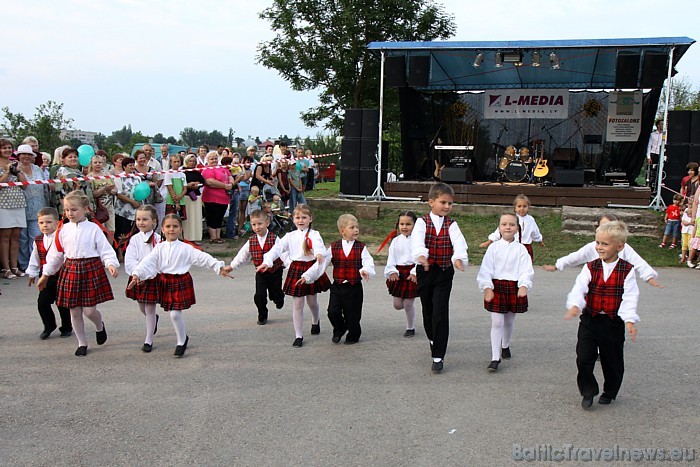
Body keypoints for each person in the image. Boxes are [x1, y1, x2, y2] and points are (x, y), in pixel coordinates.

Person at [128, 214, 232, 357]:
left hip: (180, 281)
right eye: (168, 226)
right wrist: (137, 273)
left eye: (175, 226)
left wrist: (219, 267)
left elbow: (203, 258)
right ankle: (183, 338)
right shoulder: (159, 248)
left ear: (181, 229)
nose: (172, 229)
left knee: (175, 314)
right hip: (165, 282)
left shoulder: (186, 248)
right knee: (172, 313)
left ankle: (181, 340)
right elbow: (147, 262)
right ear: (163, 229)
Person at [565, 220, 640, 409]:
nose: (599, 247)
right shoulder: (590, 267)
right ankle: (588, 390)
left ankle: (610, 391)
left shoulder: (627, 270)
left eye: (605, 244)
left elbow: (630, 296)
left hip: (612, 323)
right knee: (583, 357)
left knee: (612, 361)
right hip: (590, 319)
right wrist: (575, 304)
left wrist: (629, 319)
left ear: (619, 246)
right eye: (597, 243)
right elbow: (579, 287)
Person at [36, 191, 119, 357]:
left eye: (74, 209)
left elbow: (105, 249)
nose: (70, 213)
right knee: (74, 311)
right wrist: (45, 274)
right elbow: (55, 255)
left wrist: (110, 264)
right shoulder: (63, 230)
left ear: (85, 209)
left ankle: (99, 326)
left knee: (89, 311)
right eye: (67, 210)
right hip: (71, 269)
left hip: (90, 269)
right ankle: (82, 343)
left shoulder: (93, 228)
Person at [411, 182, 468, 373]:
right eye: (443, 202)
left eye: (450, 203)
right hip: (426, 272)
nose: (447, 207)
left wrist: (458, 257)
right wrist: (421, 254)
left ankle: (438, 356)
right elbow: (417, 241)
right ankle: (432, 338)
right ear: (431, 202)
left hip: (444, 272)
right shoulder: (421, 222)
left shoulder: (452, 225)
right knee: (428, 310)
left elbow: (459, 243)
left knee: (440, 312)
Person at [257, 204, 331, 348]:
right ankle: (298, 335)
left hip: (311, 268)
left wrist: (319, 253)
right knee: (297, 303)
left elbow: (318, 246)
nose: (300, 220)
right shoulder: (290, 236)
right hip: (296, 268)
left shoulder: (314, 234)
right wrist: (267, 261)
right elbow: (276, 249)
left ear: (310, 218)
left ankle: (315, 320)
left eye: (304, 217)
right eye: (297, 217)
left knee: (312, 301)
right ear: (293, 219)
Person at [477, 213, 534, 371]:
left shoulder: (521, 249)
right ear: (499, 228)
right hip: (496, 287)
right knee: (497, 322)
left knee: (508, 321)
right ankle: (495, 358)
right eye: (504, 224)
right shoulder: (493, 248)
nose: (508, 227)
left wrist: (524, 285)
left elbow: (526, 270)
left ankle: (505, 345)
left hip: (514, 287)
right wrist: (487, 287)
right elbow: (485, 269)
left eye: (512, 224)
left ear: (517, 229)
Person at [223, 209, 285, 325]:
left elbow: (282, 252)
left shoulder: (275, 238)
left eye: (260, 224)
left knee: (275, 292)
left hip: (275, 271)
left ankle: (279, 298)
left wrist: (289, 264)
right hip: (260, 272)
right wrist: (231, 266)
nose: (257, 227)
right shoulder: (251, 241)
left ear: (267, 223)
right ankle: (262, 314)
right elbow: (242, 256)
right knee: (259, 296)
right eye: (254, 224)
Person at [324, 214, 375, 344]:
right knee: (332, 311)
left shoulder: (361, 247)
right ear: (342, 231)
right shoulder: (334, 246)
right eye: (352, 227)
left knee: (353, 315)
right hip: (337, 286)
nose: (356, 230)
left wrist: (365, 270)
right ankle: (339, 328)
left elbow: (368, 262)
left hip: (354, 287)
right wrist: (308, 276)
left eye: (357, 227)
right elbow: (321, 264)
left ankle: (353, 334)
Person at [26, 207, 72, 339]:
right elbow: (35, 257)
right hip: (45, 277)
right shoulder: (38, 240)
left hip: (62, 275)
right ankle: (49, 325)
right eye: (41, 223)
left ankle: (67, 327)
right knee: (42, 302)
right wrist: (32, 273)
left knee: (62, 303)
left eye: (49, 222)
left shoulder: (62, 237)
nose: (45, 225)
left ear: (57, 223)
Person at [124, 205, 161, 353]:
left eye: (145, 219)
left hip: (151, 277)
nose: (141, 222)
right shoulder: (134, 239)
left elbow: (158, 260)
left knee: (149, 308)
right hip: (137, 276)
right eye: (138, 219)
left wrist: (147, 275)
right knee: (142, 306)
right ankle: (153, 321)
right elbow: (130, 258)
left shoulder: (158, 240)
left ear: (154, 221)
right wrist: (136, 273)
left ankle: (148, 339)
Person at [382, 211, 418, 337]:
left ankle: (410, 327)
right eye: (402, 224)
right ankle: (409, 310)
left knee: (408, 303)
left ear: (415, 225)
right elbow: (391, 258)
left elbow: (420, 258)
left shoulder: (418, 240)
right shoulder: (396, 241)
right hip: (398, 273)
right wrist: (392, 270)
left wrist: (415, 272)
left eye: (408, 224)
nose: (404, 227)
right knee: (397, 305)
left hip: (412, 273)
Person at [480, 194, 543, 262]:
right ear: (515, 208)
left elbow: (535, 231)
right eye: (519, 206)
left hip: (526, 246)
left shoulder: (531, 220)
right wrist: (489, 241)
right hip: (513, 245)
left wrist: (539, 240)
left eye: (524, 206)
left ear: (528, 208)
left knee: (525, 263)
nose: (522, 209)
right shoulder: (512, 219)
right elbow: (500, 231)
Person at [0, 139, 28, 279]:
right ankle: (6, 268)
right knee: (5, 237)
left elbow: (24, 185)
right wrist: (6, 172)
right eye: (4, 148)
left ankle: (15, 266)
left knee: (16, 236)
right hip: (3, 204)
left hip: (18, 202)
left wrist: (17, 171)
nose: (7, 150)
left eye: (9, 148)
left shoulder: (15, 164)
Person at [17, 144, 47, 273]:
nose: (26, 157)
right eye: (24, 154)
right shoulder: (15, 169)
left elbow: (45, 185)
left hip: (38, 207)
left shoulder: (37, 169)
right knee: (22, 238)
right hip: (21, 207)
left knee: (36, 237)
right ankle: (24, 264)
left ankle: (35, 265)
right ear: (18, 156)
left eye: (29, 154)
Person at [202, 151, 234, 243]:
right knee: (213, 217)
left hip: (223, 198)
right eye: (211, 159)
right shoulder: (207, 169)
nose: (214, 160)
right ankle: (213, 237)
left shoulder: (222, 167)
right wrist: (224, 185)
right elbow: (210, 182)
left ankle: (218, 236)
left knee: (220, 217)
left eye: (215, 158)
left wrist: (231, 183)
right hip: (212, 198)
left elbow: (230, 176)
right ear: (207, 160)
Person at [114, 157, 142, 244]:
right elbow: (118, 194)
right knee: (122, 233)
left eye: (134, 165)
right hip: (123, 211)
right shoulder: (119, 177)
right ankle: (120, 253)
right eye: (130, 165)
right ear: (124, 166)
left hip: (135, 210)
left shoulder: (137, 177)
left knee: (134, 234)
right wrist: (132, 202)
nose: (133, 167)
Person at [87, 154, 117, 235]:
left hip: (109, 207)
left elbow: (115, 189)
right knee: (100, 231)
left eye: (100, 162)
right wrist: (104, 189)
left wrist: (112, 191)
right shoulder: (89, 177)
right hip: (98, 208)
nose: (98, 164)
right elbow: (92, 195)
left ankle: (110, 247)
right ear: (91, 164)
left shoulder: (107, 175)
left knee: (111, 230)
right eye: (95, 162)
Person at [53, 147, 84, 214]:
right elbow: (60, 193)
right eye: (70, 157)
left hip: (81, 208)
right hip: (70, 210)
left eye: (75, 157)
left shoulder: (78, 171)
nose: (73, 159)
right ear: (63, 159)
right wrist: (66, 210)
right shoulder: (62, 172)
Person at [182, 154, 205, 244]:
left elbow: (203, 182)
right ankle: (186, 237)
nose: (192, 163)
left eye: (193, 161)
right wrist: (188, 185)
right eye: (190, 161)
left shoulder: (196, 172)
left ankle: (194, 237)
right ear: (186, 162)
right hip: (186, 196)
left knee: (196, 218)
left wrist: (197, 184)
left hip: (196, 197)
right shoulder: (183, 172)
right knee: (187, 218)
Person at [164, 153, 187, 220]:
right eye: (174, 162)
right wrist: (176, 202)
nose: (176, 163)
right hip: (171, 202)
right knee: (170, 219)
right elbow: (170, 188)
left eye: (178, 161)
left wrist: (180, 196)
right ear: (171, 163)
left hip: (181, 201)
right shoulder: (168, 173)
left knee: (180, 220)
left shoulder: (182, 174)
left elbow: (185, 188)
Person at [237, 154, 254, 235]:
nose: (248, 163)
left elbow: (245, 177)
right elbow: (243, 178)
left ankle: (240, 228)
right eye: (247, 162)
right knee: (237, 209)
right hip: (239, 188)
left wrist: (243, 169)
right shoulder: (237, 168)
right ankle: (236, 227)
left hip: (246, 189)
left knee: (242, 210)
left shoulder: (249, 170)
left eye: (249, 162)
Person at [646, 119, 664, 189]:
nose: (662, 125)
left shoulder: (665, 134)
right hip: (653, 154)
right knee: (651, 171)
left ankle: (658, 186)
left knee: (659, 170)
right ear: (658, 125)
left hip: (661, 154)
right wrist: (648, 156)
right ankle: (649, 185)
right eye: (661, 124)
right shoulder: (653, 134)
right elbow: (649, 145)